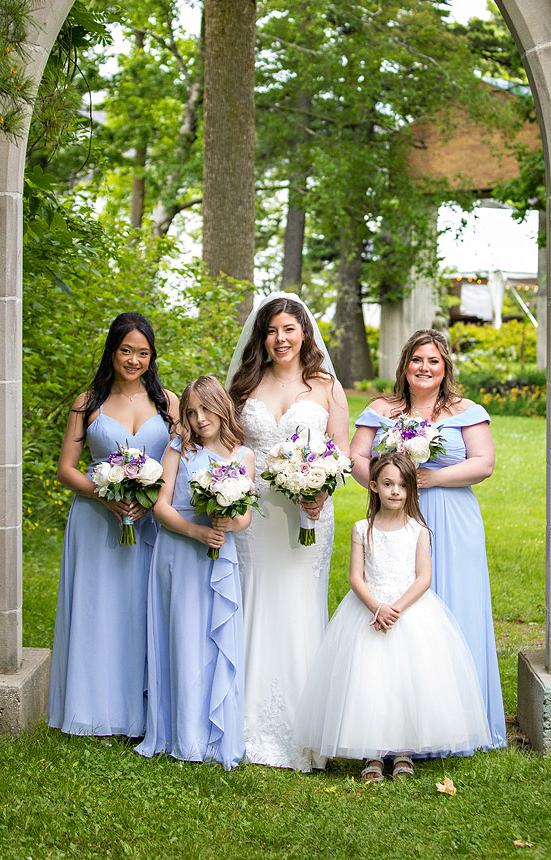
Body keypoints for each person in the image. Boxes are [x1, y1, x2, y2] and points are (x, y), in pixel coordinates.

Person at [350, 329, 507, 750]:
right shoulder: (381, 410)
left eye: (433, 361)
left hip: (452, 518)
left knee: (455, 605)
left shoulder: (466, 410)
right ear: (405, 365)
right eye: (417, 359)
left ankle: (457, 722)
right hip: (397, 519)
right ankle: (399, 722)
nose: (424, 367)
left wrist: (434, 478)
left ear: (445, 368)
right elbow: (356, 458)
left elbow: (485, 462)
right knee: (405, 606)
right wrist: (386, 489)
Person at [295, 451, 491, 778]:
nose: (395, 491)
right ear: (373, 486)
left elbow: (424, 578)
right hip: (369, 611)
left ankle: (402, 751)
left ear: (411, 490)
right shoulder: (362, 529)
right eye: (387, 484)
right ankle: (372, 752)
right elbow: (356, 577)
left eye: (402, 485)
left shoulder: (419, 531)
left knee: (405, 681)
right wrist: (377, 607)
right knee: (369, 680)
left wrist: (396, 608)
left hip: (409, 612)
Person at [226, 292, 350, 770]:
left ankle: (305, 727)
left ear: (305, 334)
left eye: (289, 330)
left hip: (307, 513)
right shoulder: (244, 387)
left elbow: (339, 452)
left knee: (300, 605)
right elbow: (229, 446)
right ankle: (245, 723)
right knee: (254, 600)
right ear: (263, 336)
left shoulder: (326, 386)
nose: (281, 339)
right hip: (255, 515)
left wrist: (321, 491)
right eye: (272, 330)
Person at [46, 312, 177, 737]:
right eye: (126, 350)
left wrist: (152, 497)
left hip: (149, 523)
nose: (134, 359)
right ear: (112, 350)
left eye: (143, 352)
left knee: (142, 613)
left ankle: (143, 714)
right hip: (97, 521)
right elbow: (67, 468)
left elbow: (184, 463)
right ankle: (93, 711)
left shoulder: (168, 404)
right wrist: (107, 495)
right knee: (97, 612)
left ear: (152, 356)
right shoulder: (89, 402)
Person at [136, 376, 254, 768]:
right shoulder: (179, 449)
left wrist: (225, 519)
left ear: (223, 407)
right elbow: (162, 507)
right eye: (191, 412)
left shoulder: (242, 456)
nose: (200, 419)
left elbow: (246, 518)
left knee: (213, 640)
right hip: (179, 550)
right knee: (183, 638)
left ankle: (215, 732)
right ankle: (181, 734)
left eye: (206, 409)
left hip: (219, 555)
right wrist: (197, 530)